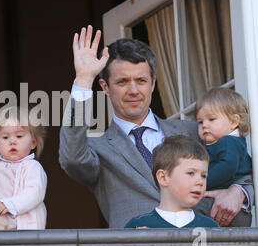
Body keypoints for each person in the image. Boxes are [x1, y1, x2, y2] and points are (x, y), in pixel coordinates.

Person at [59, 25, 253, 228]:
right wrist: (83, 79)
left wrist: (239, 192)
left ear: (153, 83)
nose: (133, 90)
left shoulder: (193, 131)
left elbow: (243, 169)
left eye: (141, 80)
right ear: (105, 87)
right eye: (123, 81)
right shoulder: (99, 149)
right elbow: (71, 157)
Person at [124, 135, 219, 228]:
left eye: (204, 175)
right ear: (163, 178)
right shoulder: (137, 226)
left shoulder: (211, 227)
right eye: (191, 173)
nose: (200, 181)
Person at [0, 106, 47, 229]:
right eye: (5, 137)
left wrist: (11, 204)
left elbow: (35, 192)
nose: (12, 141)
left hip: (23, 229)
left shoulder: (32, 167)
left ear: (33, 142)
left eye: (19, 136)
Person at [196, 88, 252, 191]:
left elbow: (226, 167)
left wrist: (200, 183)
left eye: (211, 119)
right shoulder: (225, 142)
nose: (204, 125)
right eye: (200, 122)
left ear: (233, 122)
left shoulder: (228, 142)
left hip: (225, 197)